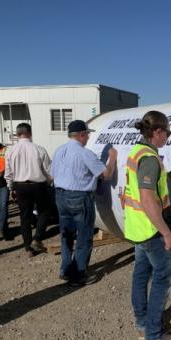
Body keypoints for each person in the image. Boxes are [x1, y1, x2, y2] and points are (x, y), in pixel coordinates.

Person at [123, 111, 171, 340]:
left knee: (141, 274)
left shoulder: (138, 151)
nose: (169, 137)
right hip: (151, 229)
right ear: (157, 132)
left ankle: (143, 322)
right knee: (164, 276)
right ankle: (154, 334)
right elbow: (148, 199)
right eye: (168, 132)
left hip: (137, 227)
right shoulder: (150, 158)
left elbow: (146, 183)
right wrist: (167, 233)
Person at [50, 120, 117, 286]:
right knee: (84, 237)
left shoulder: (59, 150)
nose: (88, 137)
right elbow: (106, 175)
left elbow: (52, 175)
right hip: (79, 197)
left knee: (66, 235)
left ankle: (65, 271)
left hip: (60, 196)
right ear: (81, 135)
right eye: (87, 134)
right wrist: (113, 158)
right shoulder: (84, 153)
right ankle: (78, 275)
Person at [4, 123, 51, 257]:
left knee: (25, 216)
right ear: (30, 133)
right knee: (45, 211)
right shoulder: (39, 149)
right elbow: (48, 170)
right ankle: (38, 238)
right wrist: (49, 182)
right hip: (38, 185)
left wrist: (11, 187)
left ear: (17, 134)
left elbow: (8, 173)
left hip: (20, 185)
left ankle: (27, 247)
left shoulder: (10, 151)